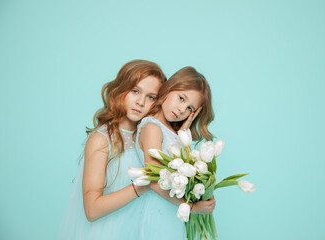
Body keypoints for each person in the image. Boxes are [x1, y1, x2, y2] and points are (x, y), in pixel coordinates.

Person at [58, 60, 166, 240]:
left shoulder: (151, 139)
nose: (140, 102)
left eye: (151, 97)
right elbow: (92, 210)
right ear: (121, 90)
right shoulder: (101, 140)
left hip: (140, 231)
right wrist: (144, 185)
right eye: (135, 91)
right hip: (108, 233)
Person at [135, 66, 216, 239]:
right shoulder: (152, 128)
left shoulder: (169, 131)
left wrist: (184, 130)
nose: (181, 109)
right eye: (181, 98)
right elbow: (154, 181)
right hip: (155, 211)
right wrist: (193, 208)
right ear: (170, 87)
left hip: (169, 210)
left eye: (189, 108)